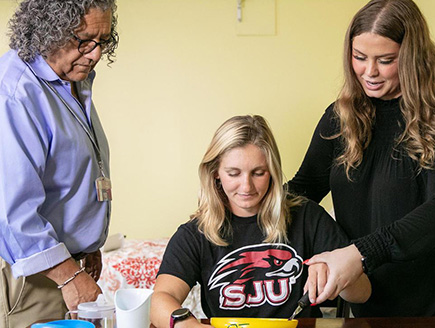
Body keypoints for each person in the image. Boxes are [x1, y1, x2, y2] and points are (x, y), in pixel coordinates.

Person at [287, 0, 435, 327]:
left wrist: (360, 253)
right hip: (378, 294)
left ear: (412, 59)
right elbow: (303, 189)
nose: (369, 72)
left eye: (386, 60)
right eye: (359, 57)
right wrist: (238, 210)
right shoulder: (339, 117)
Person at [0, 0, 118, 327]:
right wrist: (70, 275)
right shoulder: (11, 94)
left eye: (103, 41)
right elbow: (10, 212)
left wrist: (86, 245)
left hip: (55, 264)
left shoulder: (69, 84)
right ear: (49, 30)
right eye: (84, 40)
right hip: (20, 267)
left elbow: (69, 177)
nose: (95, 54)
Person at [150, 115, 371, 328]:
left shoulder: (308, 217)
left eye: (258, 173)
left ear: (273, 172)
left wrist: (338, 272)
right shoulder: (195, 234)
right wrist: (185, 324)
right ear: (215, 172)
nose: (246, 187)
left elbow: (363, 293)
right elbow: (161, 299)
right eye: (233, 173)